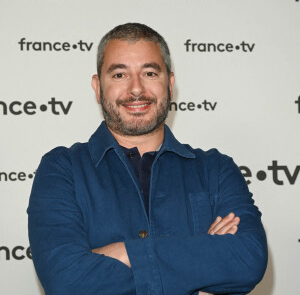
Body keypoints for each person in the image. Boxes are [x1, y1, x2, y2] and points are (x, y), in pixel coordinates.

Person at [27, 23, 268, 295]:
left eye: (150, 73)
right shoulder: (62, 169)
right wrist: (198, 265)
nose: (136, 89)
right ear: (97, 87)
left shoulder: (216, 170)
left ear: (170, 84)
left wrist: (123, 253)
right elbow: (66, 281)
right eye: (119, 74)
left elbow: (248, 259)